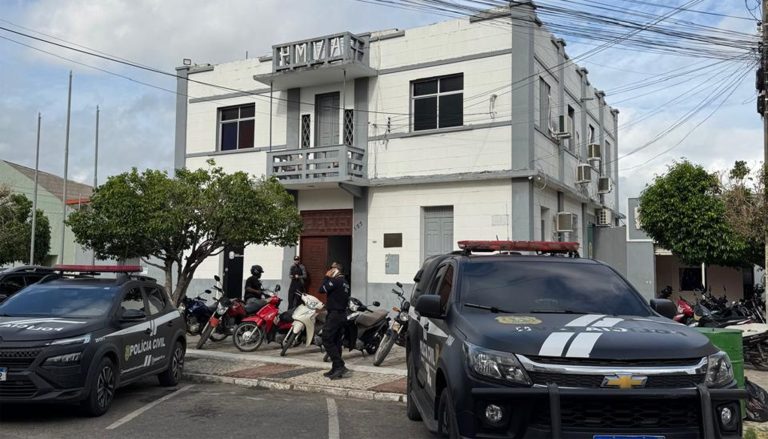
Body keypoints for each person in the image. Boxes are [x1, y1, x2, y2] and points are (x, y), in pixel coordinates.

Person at [319, 262, 350, 380]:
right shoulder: (345, 282)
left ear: (336, 270)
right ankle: (336, 368)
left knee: (326, 338)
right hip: (341, 314)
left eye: (332, 269)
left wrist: (326, 277)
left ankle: (339, 365)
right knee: (336, 341)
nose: (329, 270)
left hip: (335, 314)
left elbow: (321, 289)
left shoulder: (336, 281)